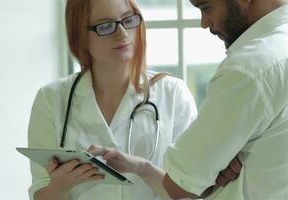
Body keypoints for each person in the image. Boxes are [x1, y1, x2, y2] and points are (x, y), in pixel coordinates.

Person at [27, 0, 240, 199]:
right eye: (105, 26)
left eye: (128, 20)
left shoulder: (172, 93)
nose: (122, 33)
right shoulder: (51, 99)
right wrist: (60, 185)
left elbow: (191, 190)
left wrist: (143, 169)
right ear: (79, 35)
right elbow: (40, 191)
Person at [89, 0, 288, 199]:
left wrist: (206, 171)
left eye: (206, 7)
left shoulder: (248, 69)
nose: (204, 23)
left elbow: (179, 186)